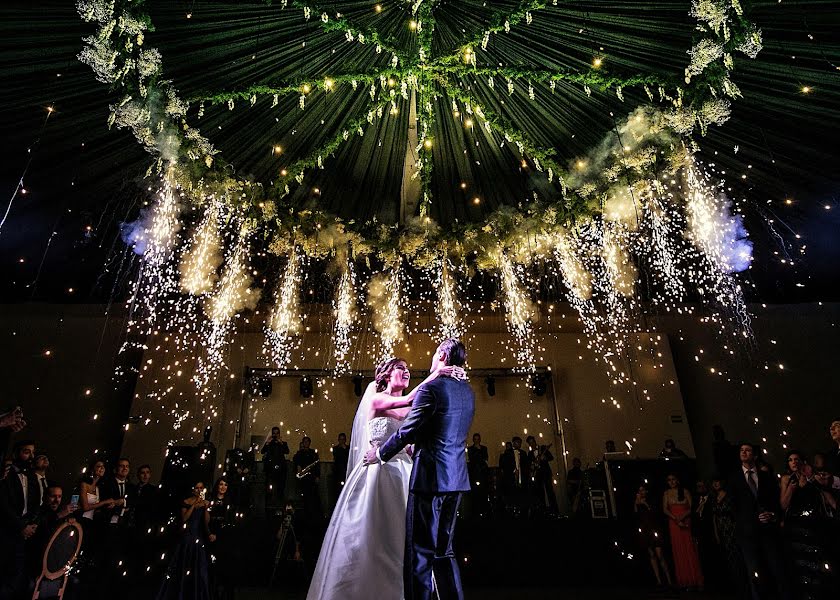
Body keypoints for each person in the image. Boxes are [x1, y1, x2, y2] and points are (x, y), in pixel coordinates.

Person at [307, 353, 466, 600]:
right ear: (385, 375)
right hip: (378, 473)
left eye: (408, 369)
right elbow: (413, 396)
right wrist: (437, 374)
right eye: (400, 368)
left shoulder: (412, 407)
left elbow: (411, 433)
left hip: (406, 473)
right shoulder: (376, 399)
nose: (406, 372)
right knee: (374, 534)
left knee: (408, 536)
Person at [365, 338, 475, 600]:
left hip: (429, 479)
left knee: (420, 554)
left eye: (434, 354)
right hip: (457, 479)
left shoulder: (432, 389)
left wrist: (381, 453)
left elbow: (409, 430)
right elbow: (441, 429)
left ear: (442, 358)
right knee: (444, 551)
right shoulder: (467, 391)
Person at [729, 443, 790, 600]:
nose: (744, 452)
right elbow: (734, 508)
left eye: (747, 450)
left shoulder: (766, 477)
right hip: (748, 534)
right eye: (741, 450)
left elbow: (775, 503)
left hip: (768, 531)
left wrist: (772, 515)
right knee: (755, 573)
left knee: (777, 569)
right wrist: (751, 519)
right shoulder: (734, 478)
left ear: (755, 455)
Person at [779, 451, 837, 597]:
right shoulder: (787, 479)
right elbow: (783, 505)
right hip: (796, 528)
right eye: (790, 460)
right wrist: (791, 489)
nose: (794, 462)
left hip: (813, 526)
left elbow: (827, 496)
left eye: (797, 459)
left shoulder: (812, 477)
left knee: (816, 561)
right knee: (800, 563)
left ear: (803, 462)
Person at [157, 482, 211, 600]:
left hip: (198, 536)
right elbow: (184, 518)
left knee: (198, 566)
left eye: (201, 488)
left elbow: (206, 522)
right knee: (182, 564)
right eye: (197, 488)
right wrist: (193, 505)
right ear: (193, 490)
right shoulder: (186, 501)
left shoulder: (206, 503)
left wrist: (205, 508)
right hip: (186, 536)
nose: (199, 490)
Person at [0, 439, 39, 598]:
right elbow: (2, 504)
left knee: (15, 574)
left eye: (32, 452)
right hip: (6, 530)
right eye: (26, 452)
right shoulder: (6, 473)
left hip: (24, 532)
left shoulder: (31, 476)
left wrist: (30, 524)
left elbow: (36, 502)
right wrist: (19, 526)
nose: (31, 456)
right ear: (16, 453)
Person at [662, 473, 704, 590]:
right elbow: (665, 509)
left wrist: (682, 517)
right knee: (679, 549)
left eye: (673, 479)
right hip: (674, 523)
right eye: (669, 480)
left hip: (685, 521)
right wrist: (676, 519)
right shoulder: (666, 493)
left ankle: (695, 579)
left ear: (677, 480)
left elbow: (691, 507)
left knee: (689, 548)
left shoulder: (684, 491)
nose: (671, 482)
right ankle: (685, 580)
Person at [634, 484, 672, 588]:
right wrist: (637, 502)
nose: (641, 492)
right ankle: (659, 580)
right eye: (639, 490)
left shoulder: (651, 500)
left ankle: (669, 580)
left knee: (660, 555)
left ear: (646, 491)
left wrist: (645, 503)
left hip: (654, 528)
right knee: (651, 555)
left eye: (643, 490)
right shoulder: (637, 501)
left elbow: (654, 512)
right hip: (645, 531)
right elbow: (636, 515)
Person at [709, 478, 744, 590]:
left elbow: (736, 513)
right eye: (713, 482)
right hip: (721, 530)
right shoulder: (713, 498)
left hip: (732, 528)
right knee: (726, 557)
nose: (715, 483)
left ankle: (742, 581)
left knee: (736, 555)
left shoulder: (729, 496)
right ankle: (732, 583)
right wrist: (716, 533)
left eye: (717, 481)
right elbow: (714, 517)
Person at [207, 478, 235, 600]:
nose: (223, 487)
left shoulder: (229, 502)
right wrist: (209, 533)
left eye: (226, 485)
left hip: (224, 537)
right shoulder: (210, 501)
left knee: (223, 565)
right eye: (221, 484)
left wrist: (220, 534)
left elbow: (230, 521)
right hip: (210, 534)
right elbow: (206, 519)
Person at [526, 435, 558, 516]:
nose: (532, 444)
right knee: (540, 493)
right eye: (530, 443)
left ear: (535, 441)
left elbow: (551, 457)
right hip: (538, 475)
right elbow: (529, 464)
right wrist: (532, 465)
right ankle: (543, 510)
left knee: (550, 491)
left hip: (546, 473)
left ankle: (555, 510)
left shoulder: (543, 448)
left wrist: (545, 458)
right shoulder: (529, 454)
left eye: (532, 442)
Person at [293, 436, 321, 523]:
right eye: (304, 442)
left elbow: (317, 466)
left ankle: (313, 515)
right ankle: (306, 515)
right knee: (305, 497)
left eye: (307, 442)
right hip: (304, 478)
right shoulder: (299, 453)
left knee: (313, 496)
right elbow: (297, 465)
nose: (306, 443)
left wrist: (317, 476)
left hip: (312, 477)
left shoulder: (313, 453)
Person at [261, 427, 289, 508]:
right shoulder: (269, 443)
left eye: (277, 433)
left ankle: (279, 507)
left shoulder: (283, 443)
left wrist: (281, 443)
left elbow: (287, 451)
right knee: (269, 490)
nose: (275, 435)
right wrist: (267, 443)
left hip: (281, 470)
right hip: (270, 470)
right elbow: (262, 451)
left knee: (280, 489)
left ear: (279, 434)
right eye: (274, 433)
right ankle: (268, 508)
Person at [467, 433, 489, 517]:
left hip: (483, 474)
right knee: (475, 493)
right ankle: (475, 511)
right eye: (475, 439)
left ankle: (483, 510)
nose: (477, 440)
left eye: (478, 438)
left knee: (483, 492)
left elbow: (485, 459)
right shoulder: (471, 449)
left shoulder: (484, 448)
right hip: (474, 474)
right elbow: (472, 459)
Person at [330, 433, 349, 508]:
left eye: (343, 439)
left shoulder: (348, 448)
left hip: (346, 471)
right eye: (340, 439)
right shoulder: (336, 449)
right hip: (338, 473)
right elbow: (337, 458)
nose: (342, 441)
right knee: (338, 491)